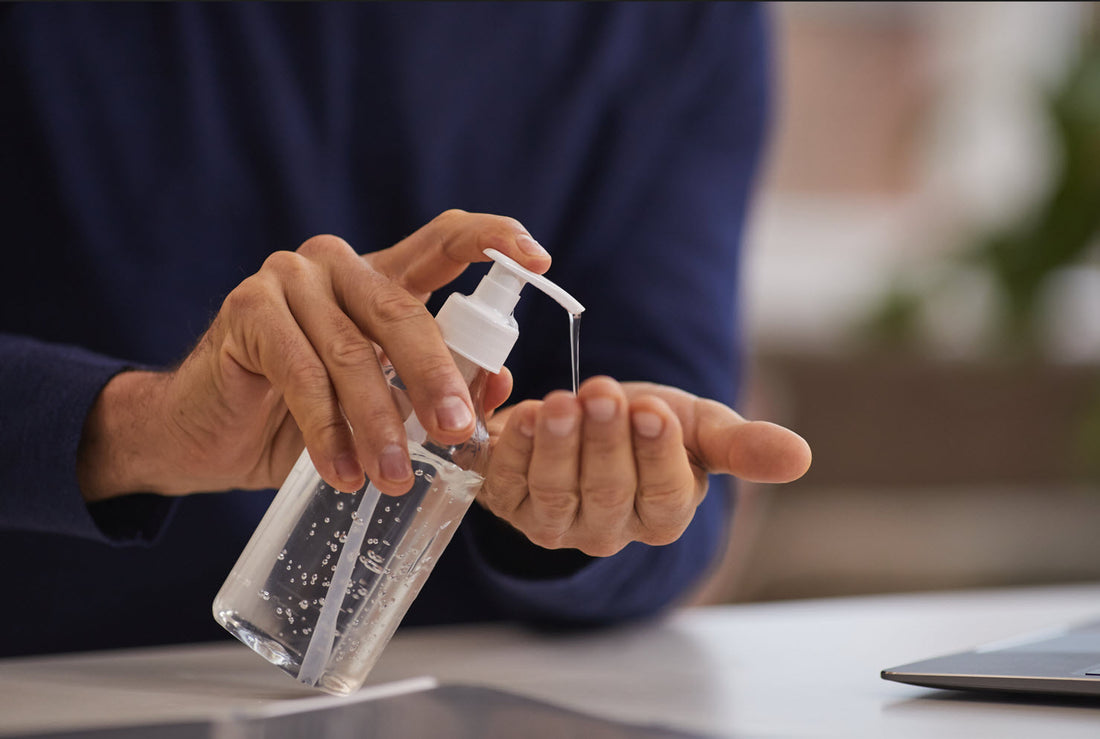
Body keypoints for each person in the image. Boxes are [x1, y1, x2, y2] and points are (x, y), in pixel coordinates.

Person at [0, 3, 809, 657]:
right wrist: (136, 429)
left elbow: (682, 471)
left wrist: (593, 493)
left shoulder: (679, 23)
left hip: (446, 696)